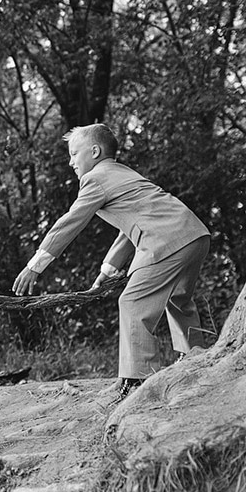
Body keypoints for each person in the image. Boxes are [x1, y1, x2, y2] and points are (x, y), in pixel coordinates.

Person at [12, 124, 209, 402]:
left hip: (165, 239)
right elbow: (129, 229)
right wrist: (108, 269)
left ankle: (137, 380)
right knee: (179, 300)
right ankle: (196, 362)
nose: (71, 162)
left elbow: (69, 223)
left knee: (133, 303)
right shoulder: (123, 173)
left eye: (74, 154)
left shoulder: (96, 178)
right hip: (194, 234)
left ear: (94, 151)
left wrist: (35, 265)